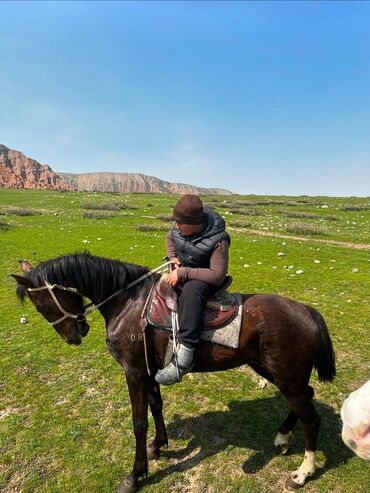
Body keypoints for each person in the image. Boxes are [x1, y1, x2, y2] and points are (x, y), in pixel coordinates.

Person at [155, 194, 231, 385]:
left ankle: (185, 356)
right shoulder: (180, 228)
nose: (177, 226)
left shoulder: (218, 240)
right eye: (176, 222)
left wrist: (182, 273)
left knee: (191, 291)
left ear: (195, 223)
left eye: (180, 223)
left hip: (205, 278)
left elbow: (216, 274)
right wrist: (172, 258)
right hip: (184, 269)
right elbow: (170, 236)